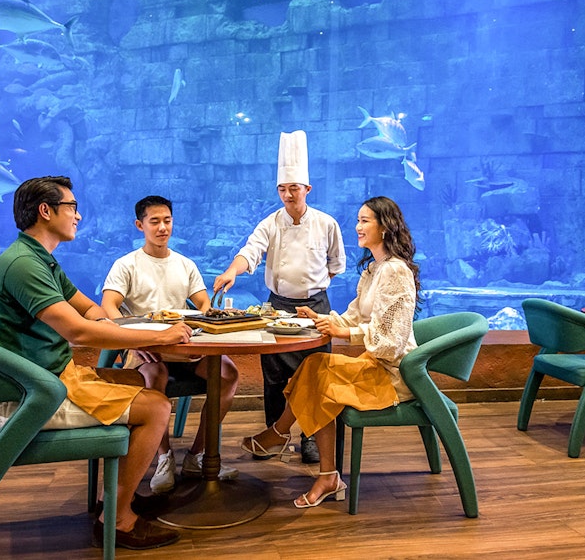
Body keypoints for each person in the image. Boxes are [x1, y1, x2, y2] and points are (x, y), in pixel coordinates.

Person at [0, 176, 189, 550]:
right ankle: (119, 519)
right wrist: (157, 336)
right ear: (46, 211)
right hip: (31, 395)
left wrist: (119, 331)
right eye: (72, 208)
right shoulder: (24, 265)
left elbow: (90, 309)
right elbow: (79, 333)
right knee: (157, 407)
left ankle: (114, 494)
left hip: (50, 379)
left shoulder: (40, 259)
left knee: (138, 381)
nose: (77, 216)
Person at [239, 196, 419, 507]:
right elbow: (353, 316)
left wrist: (344, 331)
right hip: (374, 365)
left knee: (319, 378)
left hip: (394, 375)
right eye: (358, 220)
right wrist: (323, 319)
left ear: (385, 227)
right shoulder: (374, 271)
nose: (357, 227)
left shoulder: (396, 272)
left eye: (365, 221)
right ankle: (318, 467)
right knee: (314, 365)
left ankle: (285, 440)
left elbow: (392, 340)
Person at [213, 130, 346, 464]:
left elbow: (335, 266)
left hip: (315, 308)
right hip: (276, 308)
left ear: (307, 190)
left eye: (294, 188)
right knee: (274, 378)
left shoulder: (327, 224)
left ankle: (311, 437)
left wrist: (312, 287)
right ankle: (274, 434)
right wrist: (232, 270)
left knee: (315, 375)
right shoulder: (270, 223)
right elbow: (251, 251)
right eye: (283, 189)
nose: (288, 194)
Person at [101, 195, 240, 493]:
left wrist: (215, 313)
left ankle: (197, 455)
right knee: (155, 374)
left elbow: (204, 305)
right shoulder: (126, 265)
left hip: (184, 347)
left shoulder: (185, 264)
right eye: (155, 222)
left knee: (229, 374)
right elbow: (109, 307)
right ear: (140, 225)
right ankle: (164, 456)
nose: (162, 227)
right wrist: (132, 341)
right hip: (147, 349)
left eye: (167, 221)